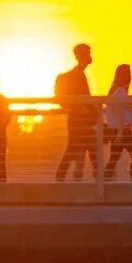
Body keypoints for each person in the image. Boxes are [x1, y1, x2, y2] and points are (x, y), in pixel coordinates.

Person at [53, 43, 97, 181]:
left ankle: (61, 177)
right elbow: (83, 99)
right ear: (82, 56)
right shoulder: (77, 75)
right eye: (89, 53)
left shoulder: (78, 74)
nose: (91, 56)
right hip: (80, 120)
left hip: (79, 120)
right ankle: (100, 185)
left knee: (82, 150)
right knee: (81, 150)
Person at [100, 63, 132, 181]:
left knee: (114, 158)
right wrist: (121, 133)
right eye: (129, 73)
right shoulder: (120, 91)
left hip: (117, 129)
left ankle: (103, 182)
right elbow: (119, 113)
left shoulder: (115, 90)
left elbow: (126, 112)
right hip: (122, 130)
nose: (131, 75)